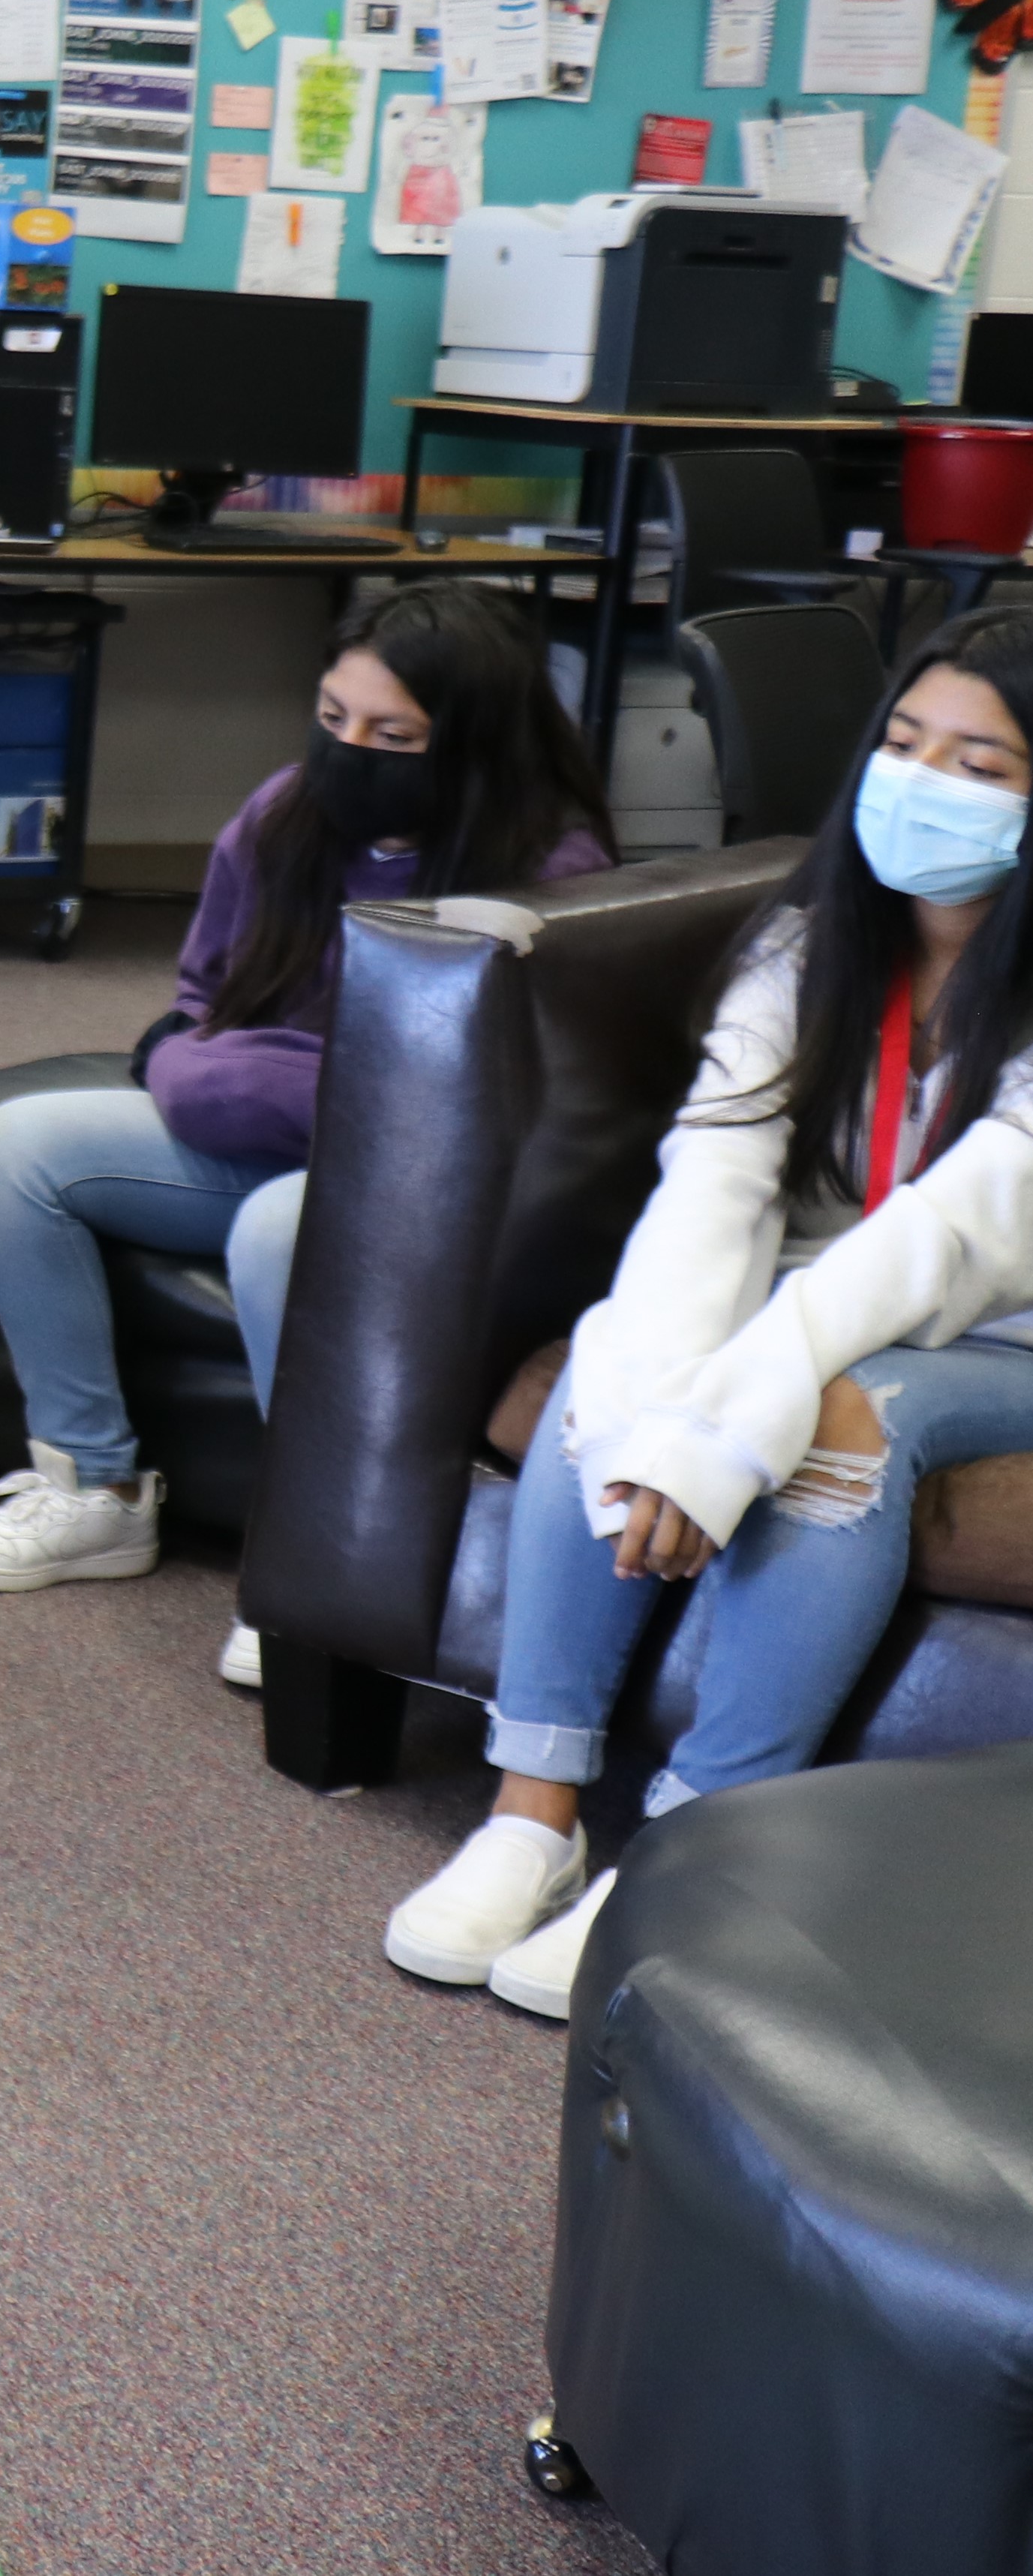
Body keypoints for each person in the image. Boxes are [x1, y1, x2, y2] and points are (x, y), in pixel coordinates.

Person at [386, 608, 1033, 2020]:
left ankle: (692, 1845)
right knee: (621, 1343)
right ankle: (529, 1813)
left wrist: (731, 1419)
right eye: (905, 742)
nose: (923, 779)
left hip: (1001, 1323)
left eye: (981, 763)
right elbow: (714, 1181)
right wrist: (650, 1406)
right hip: (827, 1284)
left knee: (835, 1418)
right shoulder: (806, 947)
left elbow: (950, 1237)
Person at [0, 582, 614, 1678]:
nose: (349, 752)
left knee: (279, 1228)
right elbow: (198, 1011)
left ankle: (317, 1566)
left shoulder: (545, 876)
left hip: (435, 1182)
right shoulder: (284, 813)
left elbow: (456, 1109)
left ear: (468, 744)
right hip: (284, 1131)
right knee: (18, 1149)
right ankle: (90, 1489)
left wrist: (231, 1077)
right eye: (333, 717)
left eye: (393, 735)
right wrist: (239, 1073)